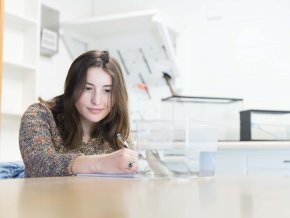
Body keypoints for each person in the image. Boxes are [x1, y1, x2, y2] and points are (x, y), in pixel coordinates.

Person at [19, 50, 139, 177]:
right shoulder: (39, 115)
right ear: (72, 88)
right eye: (87, 88)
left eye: (107, 90)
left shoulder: (117, 128)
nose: (96, 101)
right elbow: (37, 164)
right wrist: (102, 162)